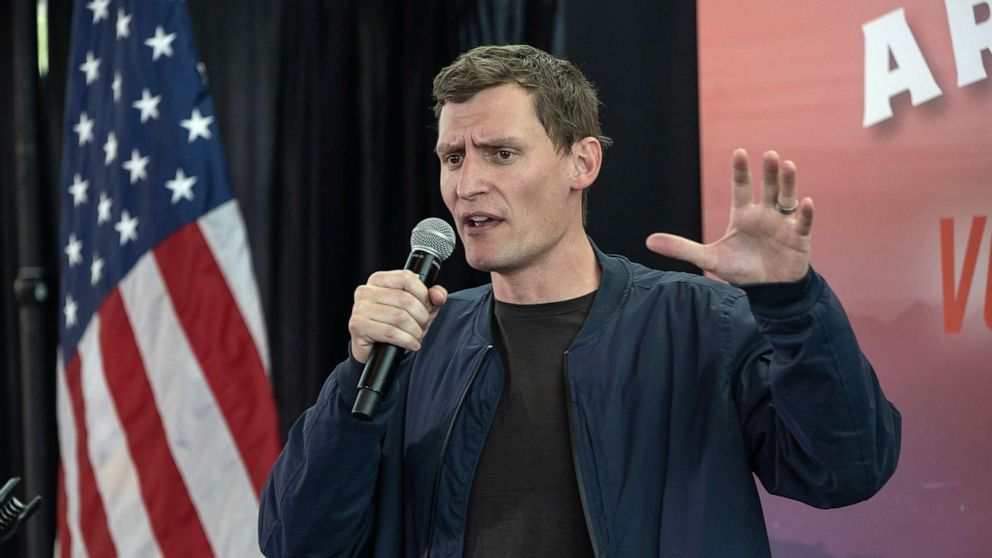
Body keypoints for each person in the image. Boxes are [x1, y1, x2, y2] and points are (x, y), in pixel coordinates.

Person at [257, 44, 901, 558]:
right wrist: (354, 386)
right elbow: (296, 541)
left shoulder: (703, 323)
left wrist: (791, 304)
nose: (468, 183)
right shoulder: (418, 339)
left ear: (581, 162)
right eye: (452, 157)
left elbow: (847, 470)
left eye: (501, 154)